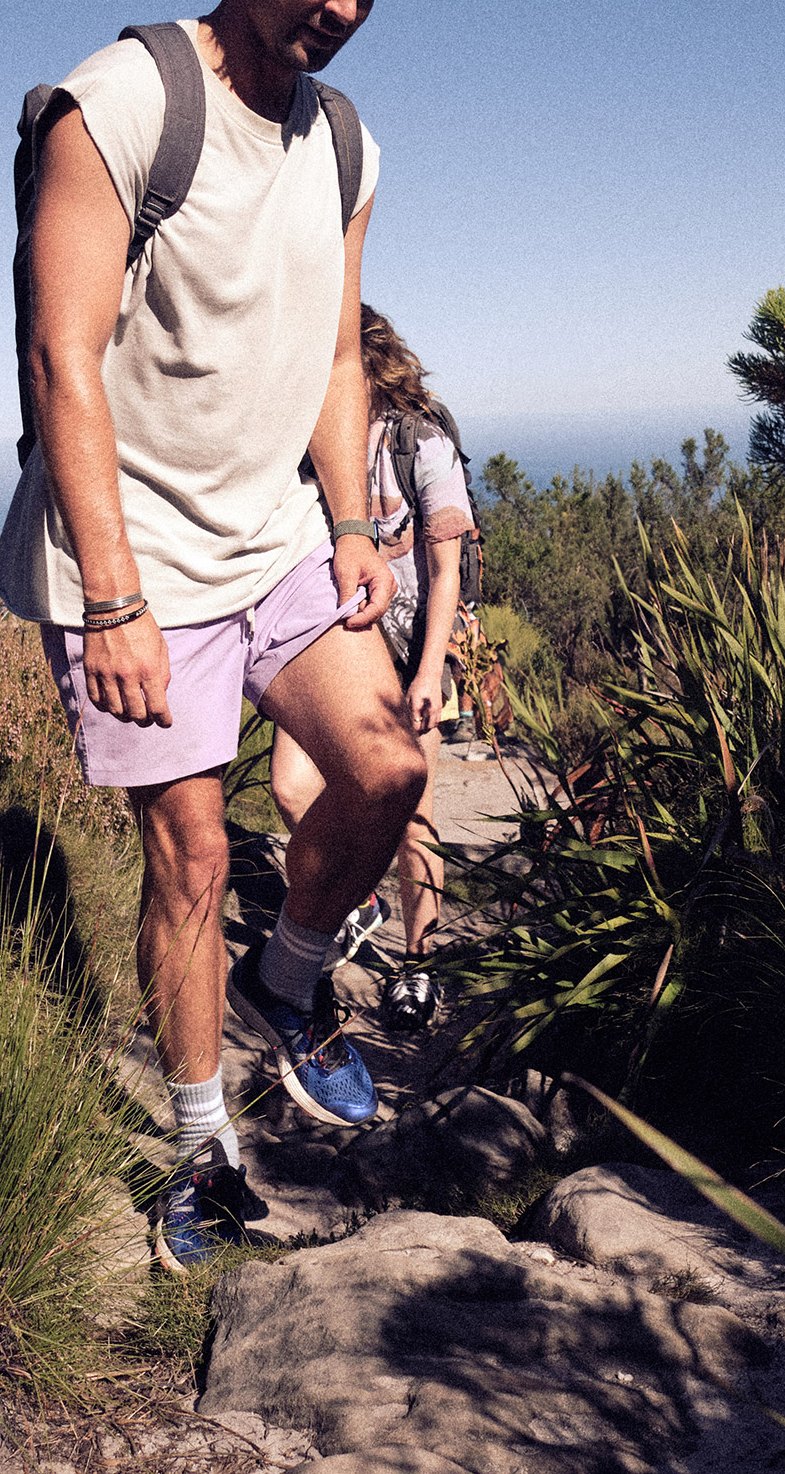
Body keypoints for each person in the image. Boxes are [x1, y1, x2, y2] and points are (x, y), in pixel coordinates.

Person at [0, 0, 425, 1272]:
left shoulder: (347, 140)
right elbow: (64, 361)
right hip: (140, 565)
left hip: (280, 535)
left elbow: (337, 353)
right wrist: (109, 598)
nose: (343, 11)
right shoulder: (116, 106)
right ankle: (201, 1144)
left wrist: (356, 521)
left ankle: (290, 981)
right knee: (186, 852)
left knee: (388, 767)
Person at [270, 305, 472, 1031]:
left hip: (414, 648)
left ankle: (419, 965)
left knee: (413, 812)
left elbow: (445, 571)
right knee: (290, 786)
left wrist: (428, 671)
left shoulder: (420, 437)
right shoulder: (309, 449)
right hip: (338, 642)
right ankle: (360, 901)